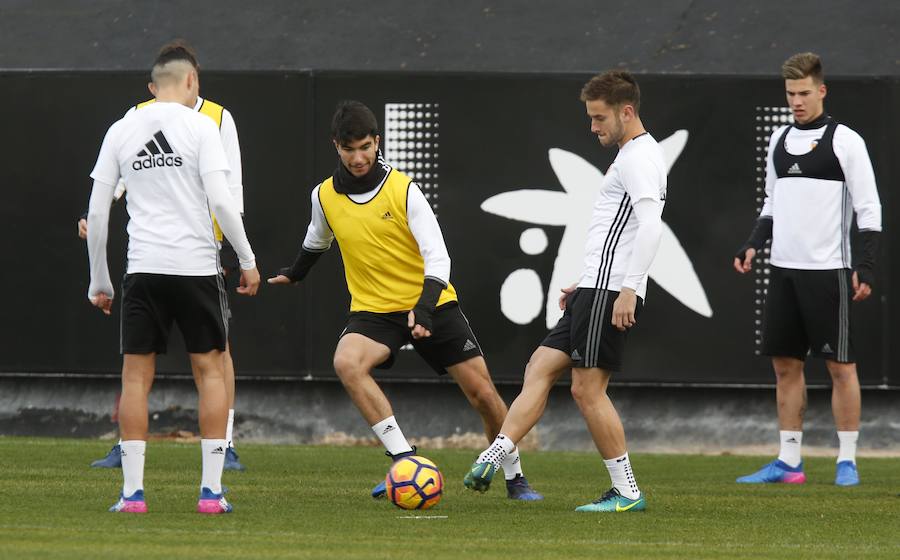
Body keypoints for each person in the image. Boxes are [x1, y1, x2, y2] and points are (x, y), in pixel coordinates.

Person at [268, 100, 542, 501]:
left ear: (377, 142)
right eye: (350, 149)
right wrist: (296, 272)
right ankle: (403, 459)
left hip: (431, 301)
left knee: (482, 394)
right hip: (374, 310)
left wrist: (426, 308)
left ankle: (514, 477)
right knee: (347, 362)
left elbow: (439, 256)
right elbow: (317, 238)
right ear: (336, 147)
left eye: (365, 146)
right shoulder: (324, 196)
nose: (359, 157)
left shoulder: (404, 189)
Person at [464, 70, 666, 513]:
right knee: (539, 367)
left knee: (587, 391)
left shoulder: (639, 159)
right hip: (594, 287)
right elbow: (619, 230)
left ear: (625, 112)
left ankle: (627, 491)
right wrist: (584, 282)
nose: (593, 127)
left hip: (610, 291)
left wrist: (628, 289)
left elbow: (651, 225)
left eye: (598, 118)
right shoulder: (631, 154)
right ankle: (495, 455)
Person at [86, 46, 260, 513]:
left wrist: (97, 280)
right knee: (210, 373)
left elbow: (98, 213)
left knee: (137, 379)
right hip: (197, 268)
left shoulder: (121, 129)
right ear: (190, 83)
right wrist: (247, 258)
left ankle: (132, 495)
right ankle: (211, 493)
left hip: (143, 269)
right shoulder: (204, 126)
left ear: (152, 87)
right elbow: (224, 203)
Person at [733, 52, 881, 487]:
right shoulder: (778, 139)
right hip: (784, 272)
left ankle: (847, 460)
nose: (796, 101)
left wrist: (866, 267)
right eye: (789, 94)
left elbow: (869, 209)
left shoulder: (845, 141)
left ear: (821, 91)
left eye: (803, 93)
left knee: (840, 366)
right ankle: (789, 461)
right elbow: (772, 204)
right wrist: (753, 244)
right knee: (784, 366)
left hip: (829, 271)